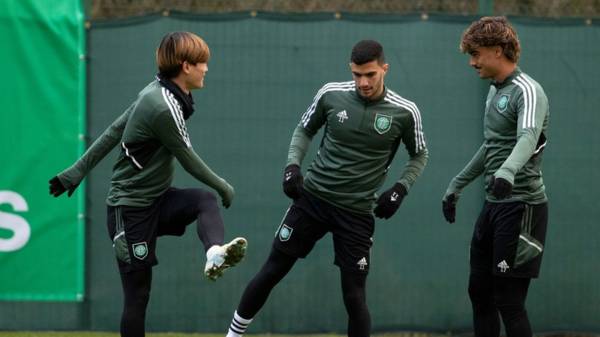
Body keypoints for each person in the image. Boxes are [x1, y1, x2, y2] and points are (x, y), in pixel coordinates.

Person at [48, 32, 247, 337]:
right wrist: (224, 186)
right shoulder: (162, 105)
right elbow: (187, 157)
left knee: (203, 201)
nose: (207, 68)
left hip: (157, 199)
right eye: (203, 62)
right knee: (137, 297)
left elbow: (115, 130)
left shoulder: (161, 92)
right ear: (186, 66)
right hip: (128, 212)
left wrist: (75, 171)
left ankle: (214, 254)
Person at [225, 40, 428, 337]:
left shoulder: (405, 111)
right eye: (357, 74)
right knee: (272, 270)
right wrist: (293, 165)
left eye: (370, 74)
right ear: (351, 69)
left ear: (384, 69)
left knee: (354, 295)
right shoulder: (331, 94)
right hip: (313, 200)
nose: (363, 82)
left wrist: (400, 189)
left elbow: (420, 154)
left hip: (356, 213)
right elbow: (304, 129)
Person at [442, 17, 549, 337]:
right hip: (494, 205)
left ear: (499, 50)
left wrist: (506, 172)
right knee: (479, 292)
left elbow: (528, 137)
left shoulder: (528, 91)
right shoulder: (494, 92)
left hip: (522, 206)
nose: (472, 62)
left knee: (508, 300)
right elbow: (491, 147)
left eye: (476, 53)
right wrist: (455, 186)